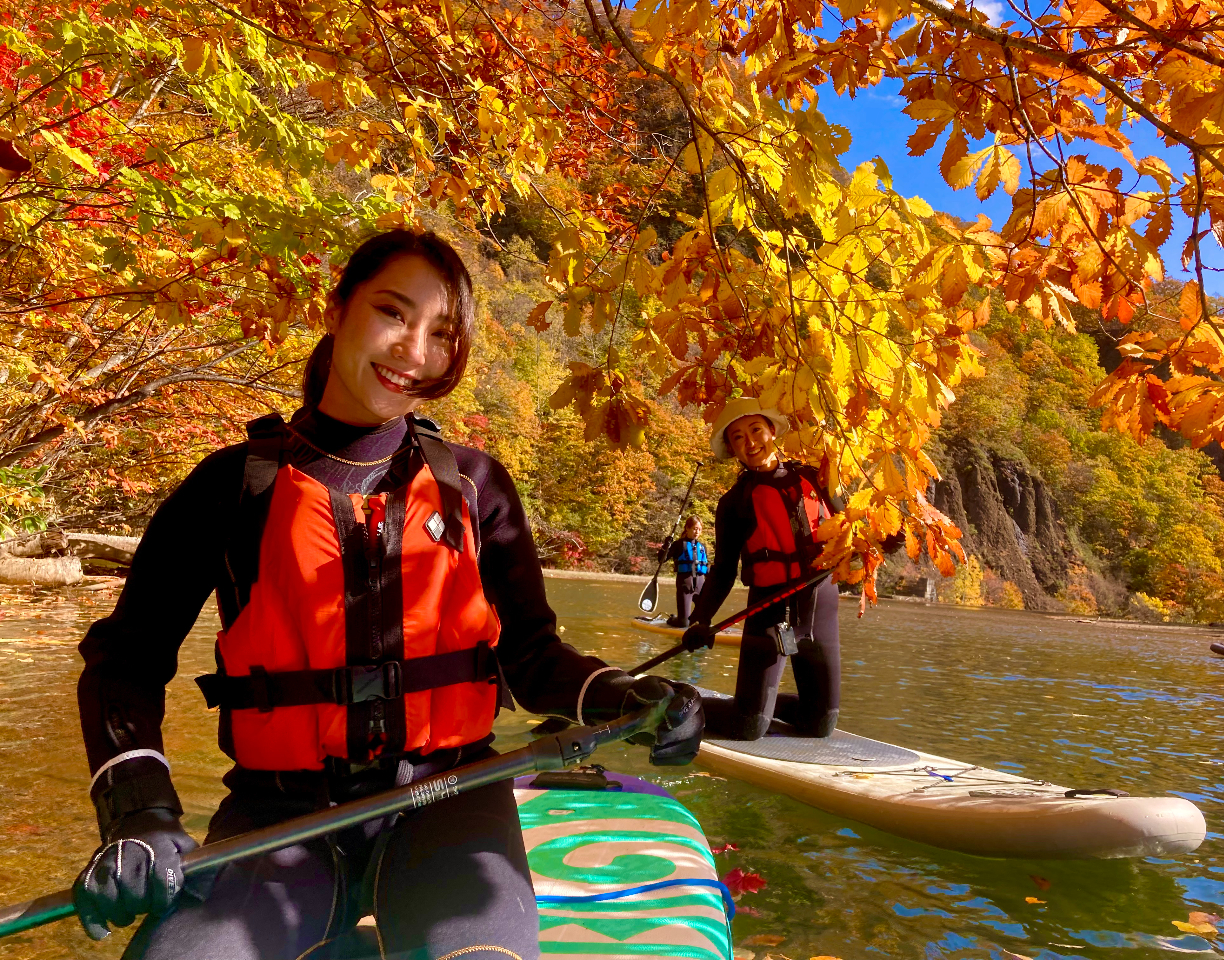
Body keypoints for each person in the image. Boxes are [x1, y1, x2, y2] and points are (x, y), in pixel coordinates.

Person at [73, 229, 703, 960]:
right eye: (393, 313)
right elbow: (126, 662)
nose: (414, 350)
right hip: (282, 814)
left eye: (442, 332)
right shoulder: (232, 486)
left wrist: (630, 697)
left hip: (450, 799)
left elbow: (531, 659)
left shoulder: (475, 485)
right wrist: (137, 811)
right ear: (337, 308)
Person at [680, 397, 843, 741]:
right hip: (770, 613)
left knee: (820, 725)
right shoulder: (734, 503)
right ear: (732, 449)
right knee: (748, 726)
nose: (750, 442)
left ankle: (767, 706)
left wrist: (883, 539)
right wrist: (701, 619)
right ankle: (678, 703)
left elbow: (852, 524)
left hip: (821, 608)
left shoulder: (816, 477)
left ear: (772, 431)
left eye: (755, 430)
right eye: (738, 437)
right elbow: (723, 569)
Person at [664, 516, 709, 629]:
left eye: (699, 529)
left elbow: (706, 568)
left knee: (705, 620)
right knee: (683, 624)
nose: (697, 532)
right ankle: (673, 619)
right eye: (694, 528)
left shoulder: (702, 547)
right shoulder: (678, 544)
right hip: (685, 587)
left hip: (700, 586)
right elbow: (662, 559)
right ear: (687, 528)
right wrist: (666, 545)